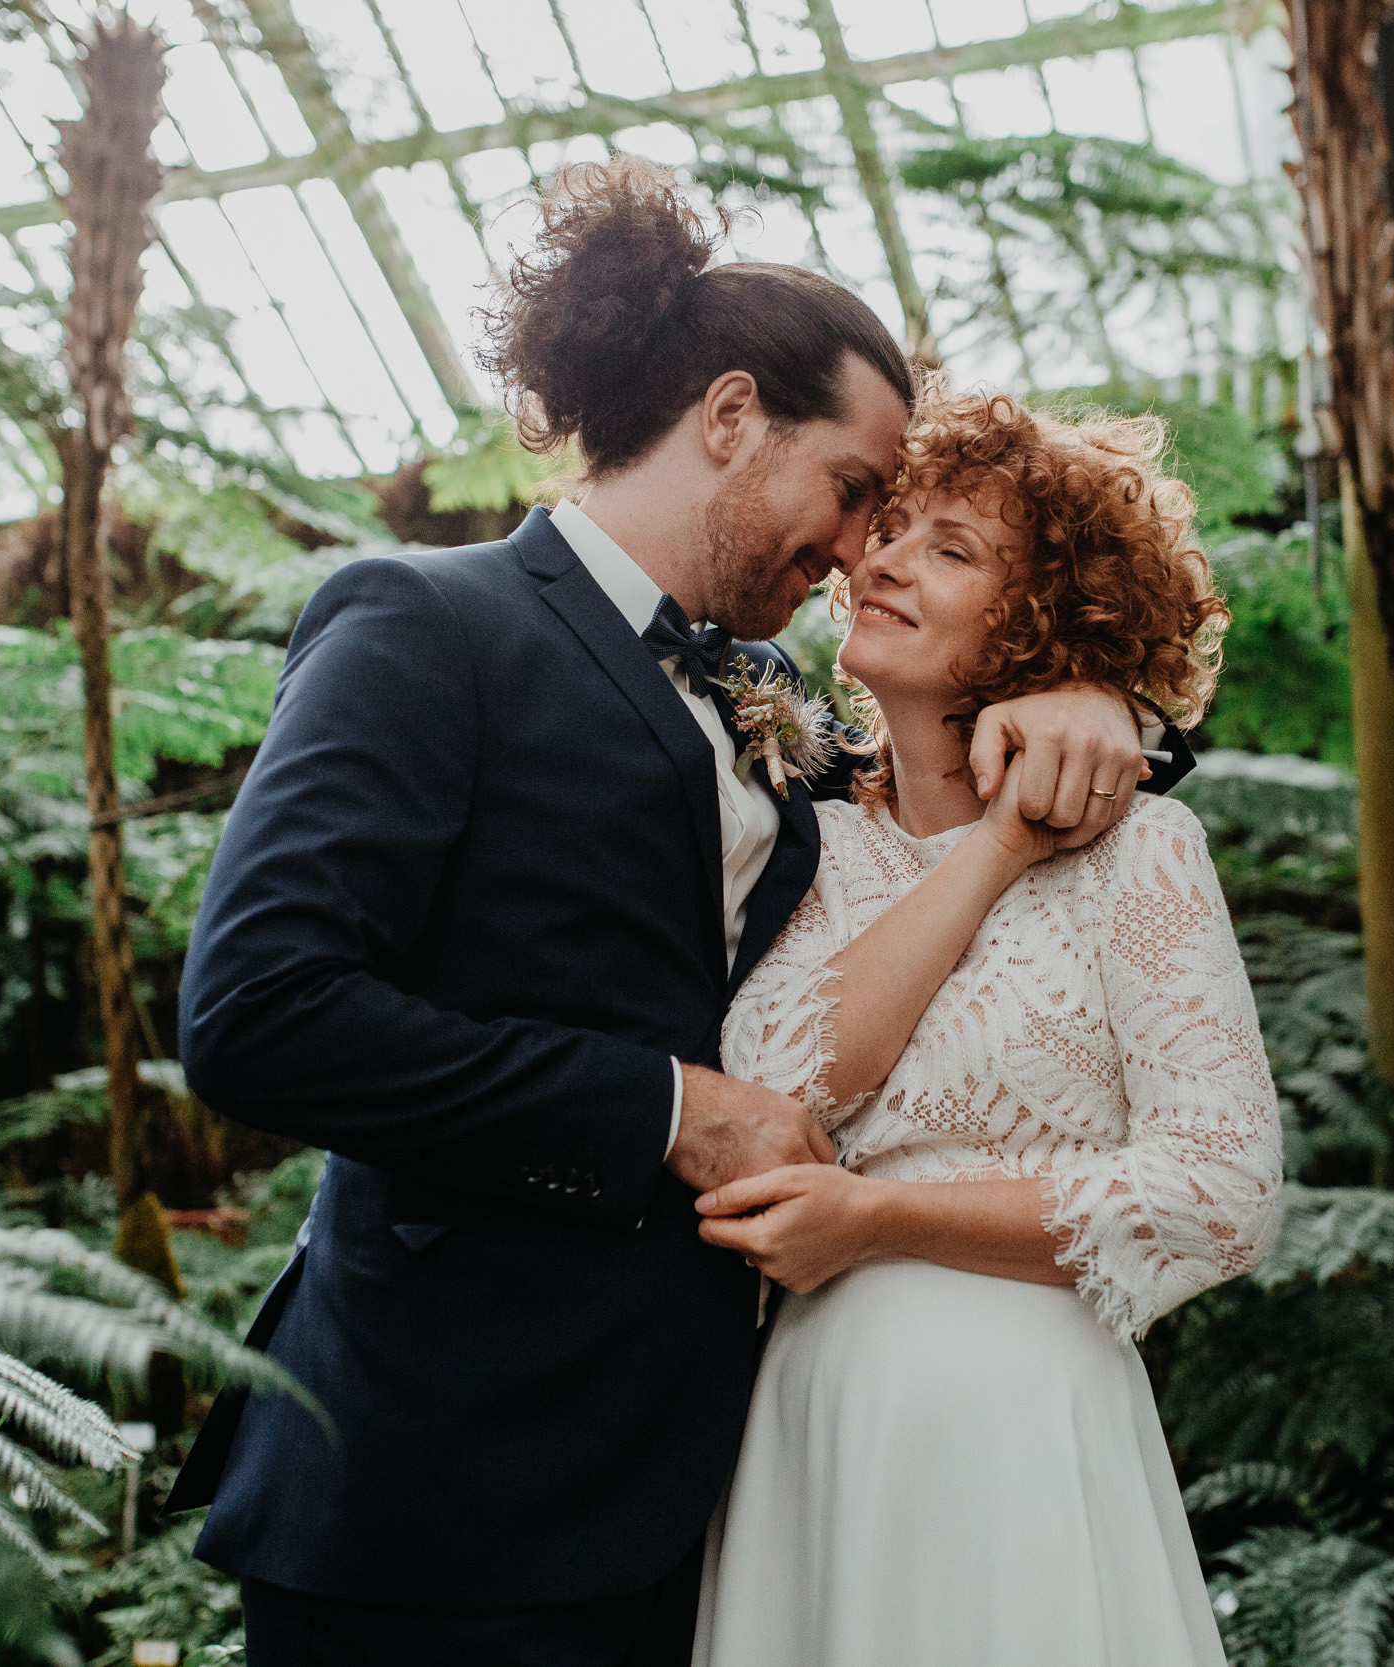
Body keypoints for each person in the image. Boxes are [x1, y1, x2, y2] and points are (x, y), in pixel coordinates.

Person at [166, 155, 1191, 1667]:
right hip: (436, 1491)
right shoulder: (424, 624)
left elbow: (977, 765)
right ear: (728, 417)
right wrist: (669, 1112)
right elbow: (257, 1013)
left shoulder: (766, 697)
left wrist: (1094, 692)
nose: (859, 552)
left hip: (694, 1506)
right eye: (853, 491)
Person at [689, 386, 1285, 1667]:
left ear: (1041, 621)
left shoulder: (1145, 854)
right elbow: (783, 1089)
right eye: (890, 529)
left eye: (950, 548)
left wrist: (885, 1217)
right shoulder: (793, 834)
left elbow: (1224, 1190)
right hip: (816, 1427)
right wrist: (999, 845)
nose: (885, 558)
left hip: (1030, 1429)